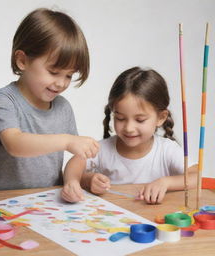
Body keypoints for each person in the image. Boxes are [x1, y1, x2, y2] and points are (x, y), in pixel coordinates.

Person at [0, 8, 99, 192]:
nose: (61, 83)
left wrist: (72, 180)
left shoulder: (63, 108)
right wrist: (66, 141)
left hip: (41, 201)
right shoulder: (5, 100)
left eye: (69, 75)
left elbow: (78, 156)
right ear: (22, 61)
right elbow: (15, 144)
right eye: (54, 72)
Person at [61, 67, 197, 204]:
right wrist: (79, 180)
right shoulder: (103, 149)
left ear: (161, 117)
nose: (129, 128)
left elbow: (197, 176)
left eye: (140, 120)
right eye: (120, 118)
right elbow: (74, 164)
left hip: (154, 221)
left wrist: (166, 182)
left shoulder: (167, 150)